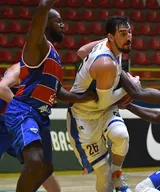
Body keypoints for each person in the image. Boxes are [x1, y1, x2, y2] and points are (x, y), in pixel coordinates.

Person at [4, 1, 97, 191]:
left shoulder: (54, 55)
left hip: (41, 116)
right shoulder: (37, 45)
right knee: (35, 161)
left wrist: (81, 97)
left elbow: (56, 90)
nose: (63, 25)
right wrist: (47, 6)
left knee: (46, 168)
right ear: (46, 23)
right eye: (58, 21)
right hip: (24, 110)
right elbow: (42, 8)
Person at [67, 16, 136, 192]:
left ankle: (117, 174)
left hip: (103, 108)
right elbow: (105, 100)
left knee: (121, 136)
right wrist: (131, 87)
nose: (128, 37)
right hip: (83, 115)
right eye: (123, 34)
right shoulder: (105, 62)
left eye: (129, 33)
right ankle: (111, 174)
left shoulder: (112, 46)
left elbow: (81, 51)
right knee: (103, 173)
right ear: (111, 37)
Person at [0, 63, 61, 192]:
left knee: (41, 165)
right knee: (36, 161)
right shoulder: (19, 69)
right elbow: (1, 88)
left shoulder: (45, 75)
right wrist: (21, 109)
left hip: (16, 124)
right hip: (5, 123)